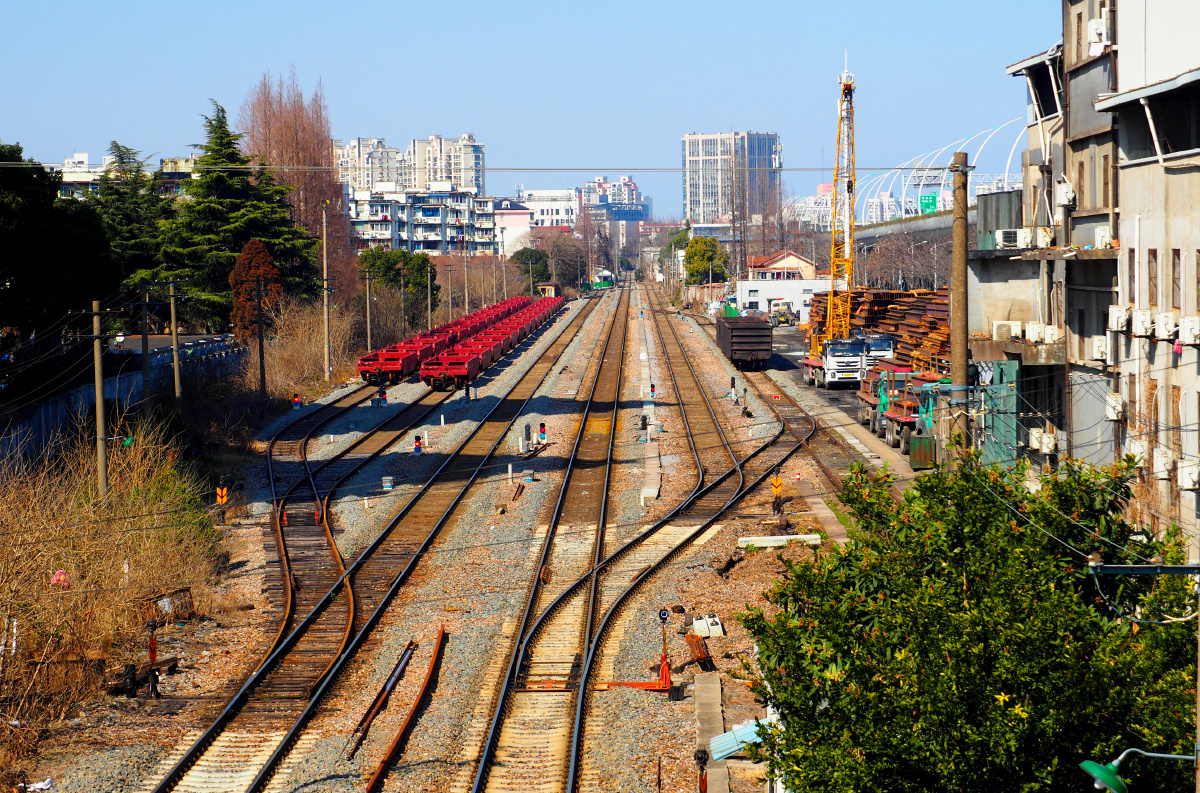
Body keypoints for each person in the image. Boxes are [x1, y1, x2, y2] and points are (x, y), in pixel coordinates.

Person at [146, 619, 161, 699]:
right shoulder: (150, 637)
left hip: (152, 657)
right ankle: (152, 691)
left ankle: (152, 692)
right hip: (151, 658)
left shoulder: (153, 637)